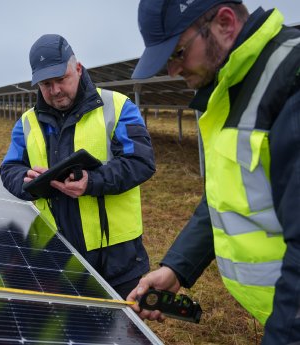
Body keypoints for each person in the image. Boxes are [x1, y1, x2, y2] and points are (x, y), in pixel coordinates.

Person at [127, 0, 300, 343]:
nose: (173, 71)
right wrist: (177, 267)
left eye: (177, 53)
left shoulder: (289, 84)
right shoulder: (235, 88)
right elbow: (227, 195)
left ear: (224, 22)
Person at [0, 34, 156, 299]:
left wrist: (92, 182)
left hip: (116, 258)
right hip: (55, 254)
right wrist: (25, 181)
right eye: (46, 84)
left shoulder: (118, 107)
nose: (55, 90)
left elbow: (141, 161)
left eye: (61, 79)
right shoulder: (27, 123)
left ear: (78, 69)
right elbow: (9, 168)